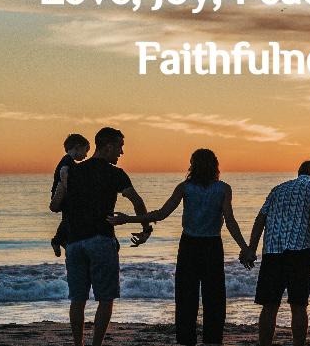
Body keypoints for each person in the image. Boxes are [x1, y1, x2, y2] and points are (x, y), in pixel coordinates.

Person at [108, 148, 251, 345]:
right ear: (215, 166)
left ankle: (186, 340)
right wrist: (245, 247)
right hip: (212, 246)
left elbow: (161, 214)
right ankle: (213, 340)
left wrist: (129, 219)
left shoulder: (185, 187)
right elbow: (230, 221)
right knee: (215, 298)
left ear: (193, 166)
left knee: (186, 297)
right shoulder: (223, 188)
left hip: (190, 246)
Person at [48, 127, 153, 346]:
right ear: (108, 146)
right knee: (105, 299)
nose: (121, 152)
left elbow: (57, 205)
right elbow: (136, 199)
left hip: (75, 243)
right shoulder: (115, 173)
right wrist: (145, 229)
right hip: (100, 240)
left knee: (77, 300)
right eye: (120, 147)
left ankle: (79, 344)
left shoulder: (71, 170)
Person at [245, 160, 310, 346]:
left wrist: (251, 248)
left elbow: (260, 219)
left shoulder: (278, 189)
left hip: (272, 251)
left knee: (269, 306)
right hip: (301, 250)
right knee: (298, 305)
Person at [50, 133, 91, 257]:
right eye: (86, 150)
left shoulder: (68, 161)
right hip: (64, 196)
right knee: (69, 218)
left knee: (68, 218)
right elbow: (64, 174)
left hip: (65, 196)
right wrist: (69, 189)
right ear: (77, 147)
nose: (86, 155)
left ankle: (61, 239)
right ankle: (57, 240)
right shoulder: (67, 160)